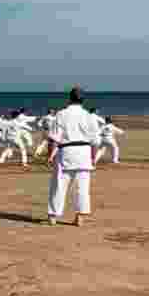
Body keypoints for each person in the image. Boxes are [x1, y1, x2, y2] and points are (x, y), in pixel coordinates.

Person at [46, 86, 102, 227]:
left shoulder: (61, 114)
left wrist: (49, 155)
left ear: (70, 98)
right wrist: (93, 158)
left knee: (59, 184)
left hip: (66, 151)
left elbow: (53, 138)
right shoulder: (89, 116)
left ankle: (53, 216)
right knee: (82, 187)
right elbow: (95, 141)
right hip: (84, 152)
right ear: (83, 100)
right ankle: (80, 217)